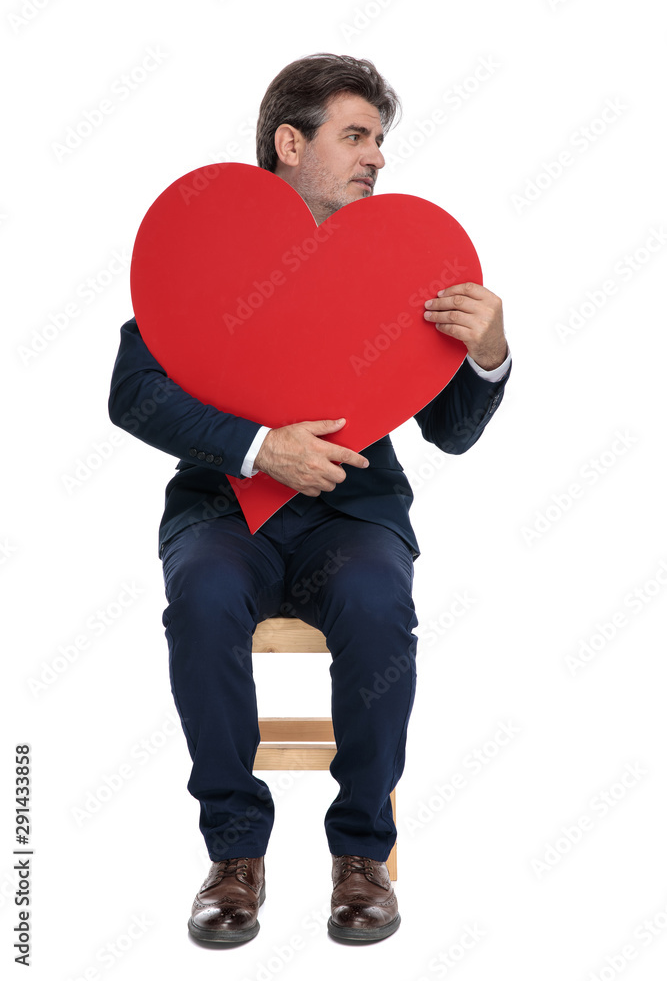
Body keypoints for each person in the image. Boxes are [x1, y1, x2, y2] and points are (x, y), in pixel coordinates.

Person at [108, 52, 511, 945]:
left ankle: (360, 855)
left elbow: (446, 430)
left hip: (354, 517)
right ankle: (235, 855)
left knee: (376, 604)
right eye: (356, 136)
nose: (375, 157)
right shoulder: (207, 255)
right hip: (222, 514)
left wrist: (488, 350)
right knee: (203, 598)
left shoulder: (405, 266)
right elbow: (133, 392)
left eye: (380, 141)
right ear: (290, 142)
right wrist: (260, 448)